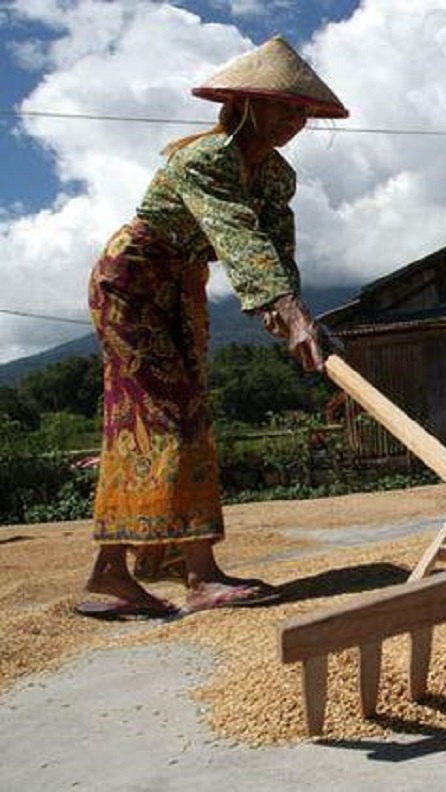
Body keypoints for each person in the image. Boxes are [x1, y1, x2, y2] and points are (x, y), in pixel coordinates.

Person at [77, 36, 347, 620]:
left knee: (178, 416)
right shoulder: (204, 160)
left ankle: (112, 576)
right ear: (247, 104)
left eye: (301, 111)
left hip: (183, 287)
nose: (294, 121)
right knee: (166, 419)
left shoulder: (276, 177)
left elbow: (276, 247)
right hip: (133, 282)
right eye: (283, 108)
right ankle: (198, 577)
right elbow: (238, 237)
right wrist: (280, 303)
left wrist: (295, 313)